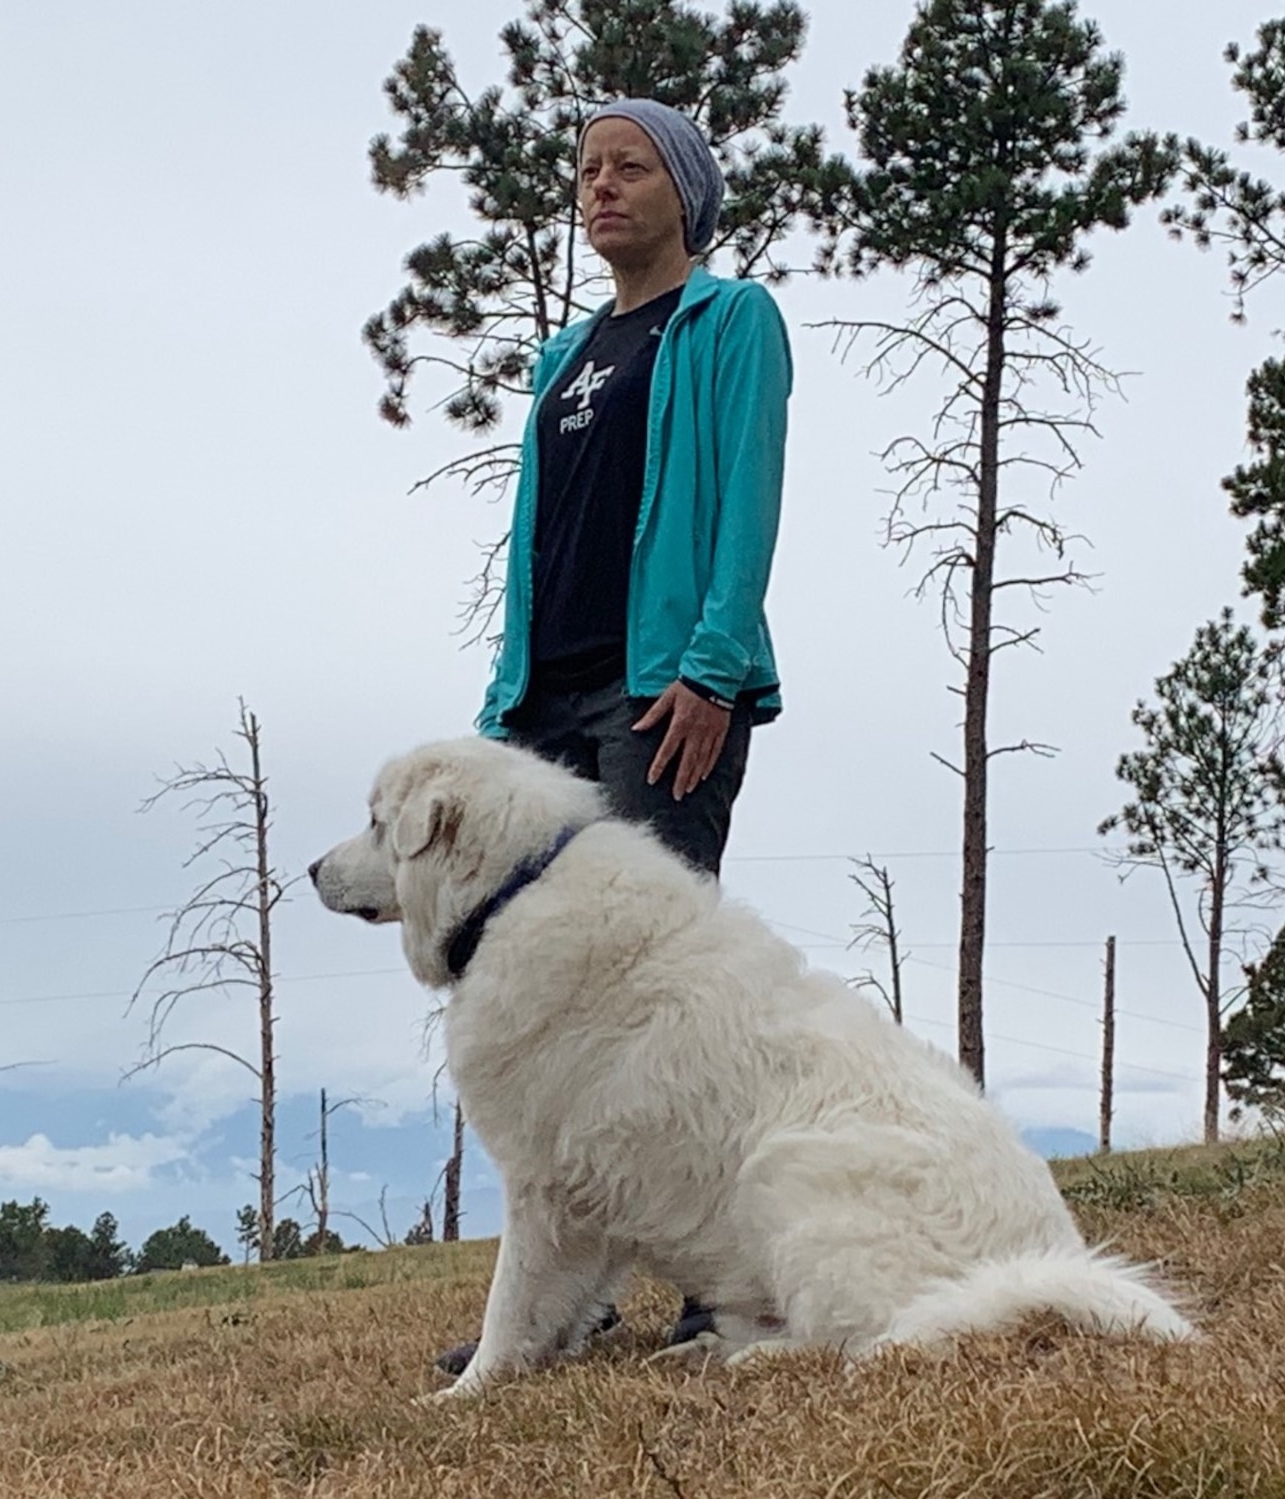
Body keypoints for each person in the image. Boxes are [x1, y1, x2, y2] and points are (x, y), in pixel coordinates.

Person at [440, 97, 793, 1376]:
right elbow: (536, 549)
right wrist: (497, 714)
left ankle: (725, 1290)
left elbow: (745, 500)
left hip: (660, 698)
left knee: (664, 1009)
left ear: (682, 192)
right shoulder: (561, 360)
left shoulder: (727, 323)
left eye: (628, 167)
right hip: (546, 713)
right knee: (554, 1016)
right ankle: (564, 1307)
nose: (598, 187)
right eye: (585, 170)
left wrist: (710, 666)